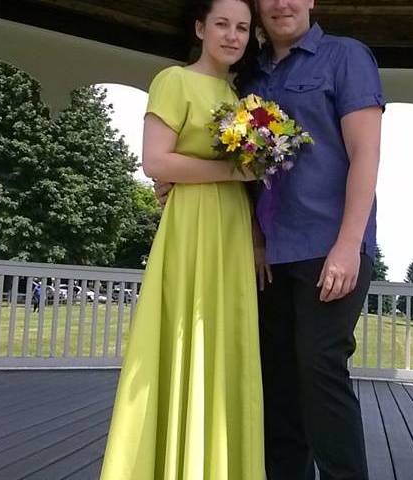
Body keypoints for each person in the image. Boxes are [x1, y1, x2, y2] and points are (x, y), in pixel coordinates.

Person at [155, 0, 385, 478]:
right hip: (266, 255)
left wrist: (348, 245)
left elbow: (366, 153)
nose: (282, 3)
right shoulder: (247, 78)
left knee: (319, 371)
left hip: (329, 246)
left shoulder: (346, 57)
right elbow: (236, 163)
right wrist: (174, 179)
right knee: (277, 381)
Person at [100, 0, 265, 479]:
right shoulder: (173, 80)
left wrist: (255, 232)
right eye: (221, 25)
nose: (232, 36)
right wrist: (234, 171)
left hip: (232, 229)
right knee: (181, 335)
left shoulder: (244, 101)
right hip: (191, 227)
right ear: (200, 28)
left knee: (223, 337)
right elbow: (156, 161)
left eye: (241, 28)